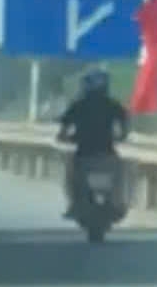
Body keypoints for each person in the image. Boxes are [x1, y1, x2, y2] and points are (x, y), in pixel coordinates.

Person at [58, 68, 130, 219]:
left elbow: (63, 131)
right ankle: (118, 203)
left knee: (70, 175)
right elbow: (124, 128)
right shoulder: (113, 105)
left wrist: (65, 138)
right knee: (120, 175)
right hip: (107, 154)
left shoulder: (78, 105)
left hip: (84, 155)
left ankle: (73, 204)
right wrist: (120, 137)